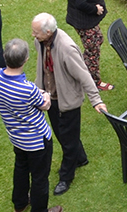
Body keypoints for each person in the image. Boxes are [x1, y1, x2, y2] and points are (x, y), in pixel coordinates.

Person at [31, 12, 107, 197]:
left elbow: (84, 75)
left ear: (49, 32)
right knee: (63, 134)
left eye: (36, 32)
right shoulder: (40, 42)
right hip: (51, 99)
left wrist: (96, 100)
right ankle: (80, 159)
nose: (33, 35)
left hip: (68, 101)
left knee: (68, 139)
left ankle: (66, 176)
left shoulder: (67, 49)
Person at [0, 38, 61, 212]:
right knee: (40, 177)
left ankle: (20, 203)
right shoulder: (27, 89)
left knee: (21, 168)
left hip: (16, 136)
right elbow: (45, 105)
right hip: (37, 139)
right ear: (26, 59)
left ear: (5, 57)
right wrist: (45, 95)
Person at [63, 0, 112, 91]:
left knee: (97, 40)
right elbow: (81, 3)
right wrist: (95, 8)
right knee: (93, 51)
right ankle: (93, 81)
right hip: (84, 21)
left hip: (77, 18)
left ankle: (81, 69)